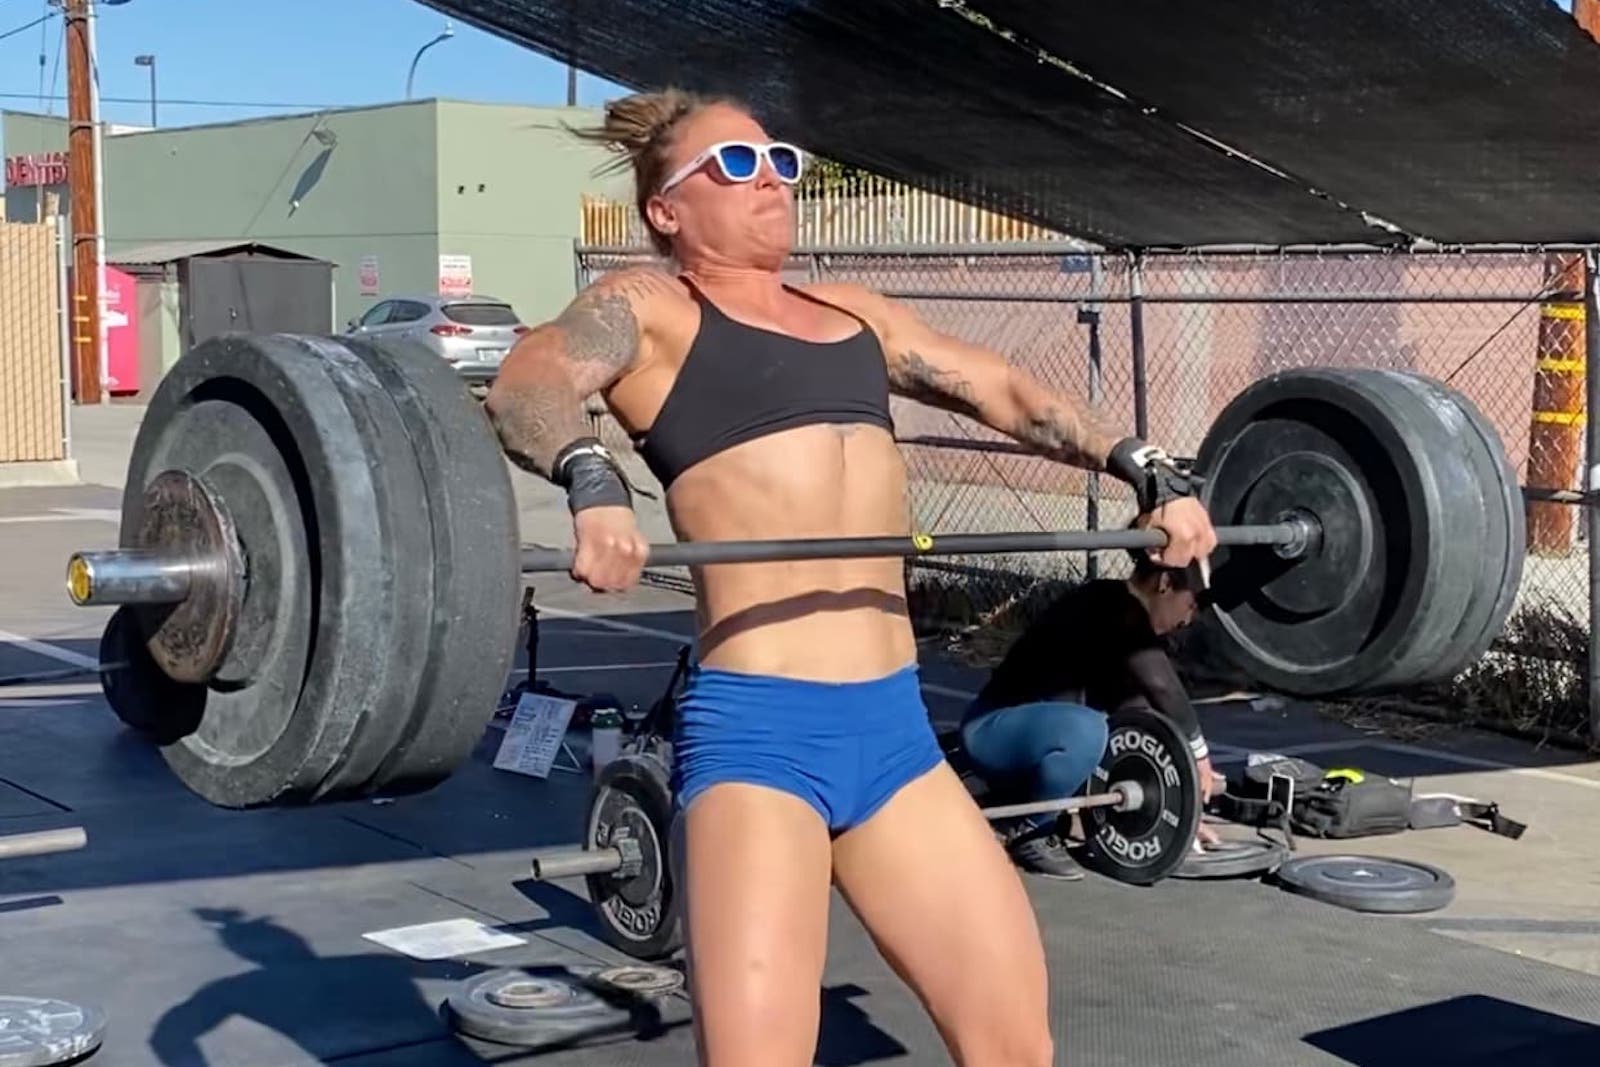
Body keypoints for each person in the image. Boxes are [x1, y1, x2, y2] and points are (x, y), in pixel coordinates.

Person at [483, 88, 1217, 1067]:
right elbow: (527, 379)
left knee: (1016, 1046)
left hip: (893, 735)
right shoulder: (652, 311)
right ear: (667, 208)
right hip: (759, 741)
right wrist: (592, 479)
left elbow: (1003, 390)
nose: (770, 181)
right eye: (733, 165)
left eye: (778, 161)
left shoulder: (853, 315)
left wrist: (1147, 467)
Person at [959, 551, 1224, 881]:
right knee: (1088, 730)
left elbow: (1141, 722)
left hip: (1033, 743)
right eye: (1192, 603)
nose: (1189, 618)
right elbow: (1163, 687)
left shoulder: (1125, 628)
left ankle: (1024, 804)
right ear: (1165, 584)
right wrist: (1200, 758)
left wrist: (1183, 811)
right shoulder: (1109, 606)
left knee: (1105, 727)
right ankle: (1031, 833)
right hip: (990, 731)